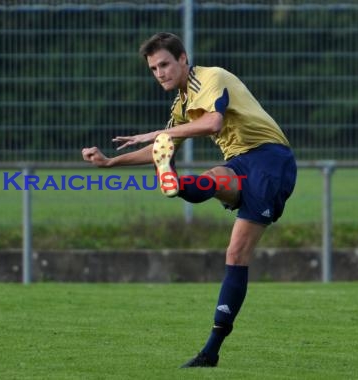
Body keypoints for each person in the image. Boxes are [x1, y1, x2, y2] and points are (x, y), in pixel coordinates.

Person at [81, 32, 297, 368]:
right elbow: (160, 147)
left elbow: (213, 123)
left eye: (165, 64)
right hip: (239, 162)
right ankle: (177, 183)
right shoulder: (181, 105)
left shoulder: (211, 77)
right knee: (215, 184)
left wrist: (159, 135)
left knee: (236, 250)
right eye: (153, 68)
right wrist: (110, 162)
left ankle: (211, 348)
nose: (160, 73)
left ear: (183, 59)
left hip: (271, 160)